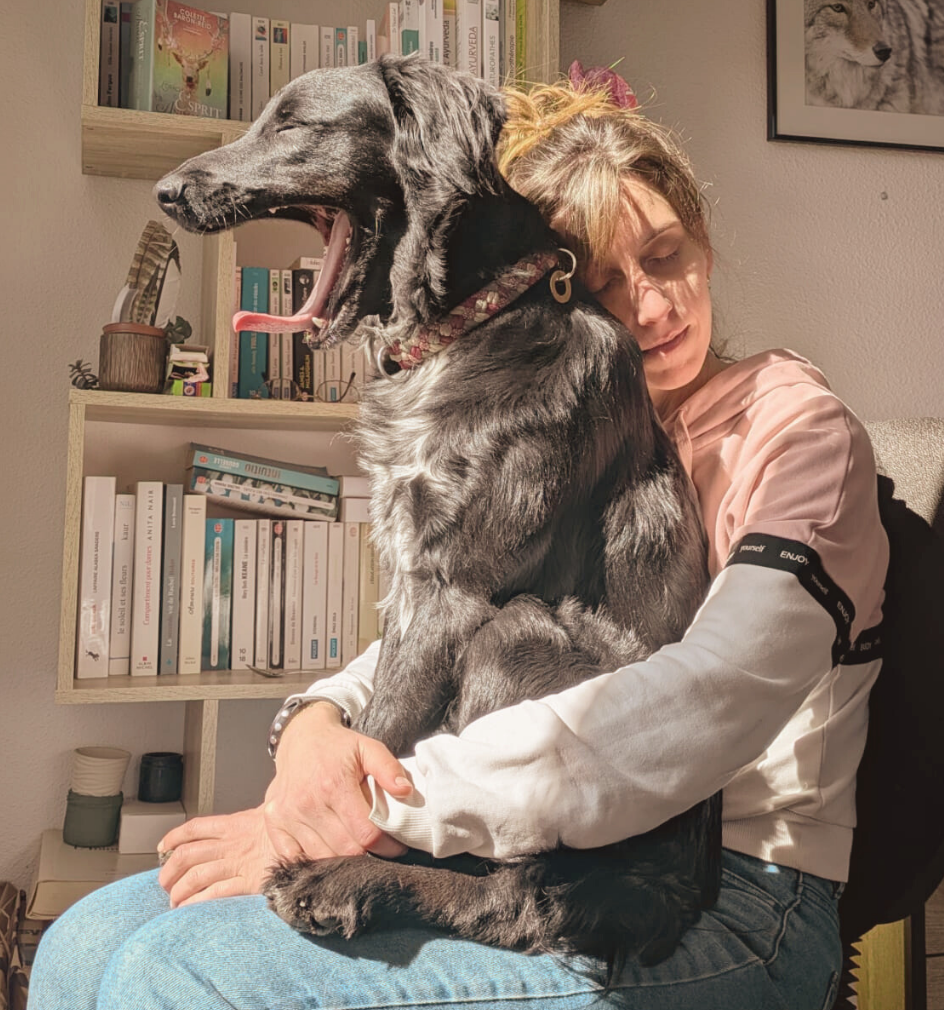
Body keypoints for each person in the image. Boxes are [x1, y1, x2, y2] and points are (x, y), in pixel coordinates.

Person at [30, 68, 889, 1010]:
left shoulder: (800, 433)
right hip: (526, 838)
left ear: (708, 243)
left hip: (735, 897)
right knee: (83, 941)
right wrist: (316, 728)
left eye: (667, 253)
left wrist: (361, 816)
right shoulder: (600, 414)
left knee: (173, 973)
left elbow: (701, 704)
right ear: (556, 285)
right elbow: (447, 606)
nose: (648, 307)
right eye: (606, 281)